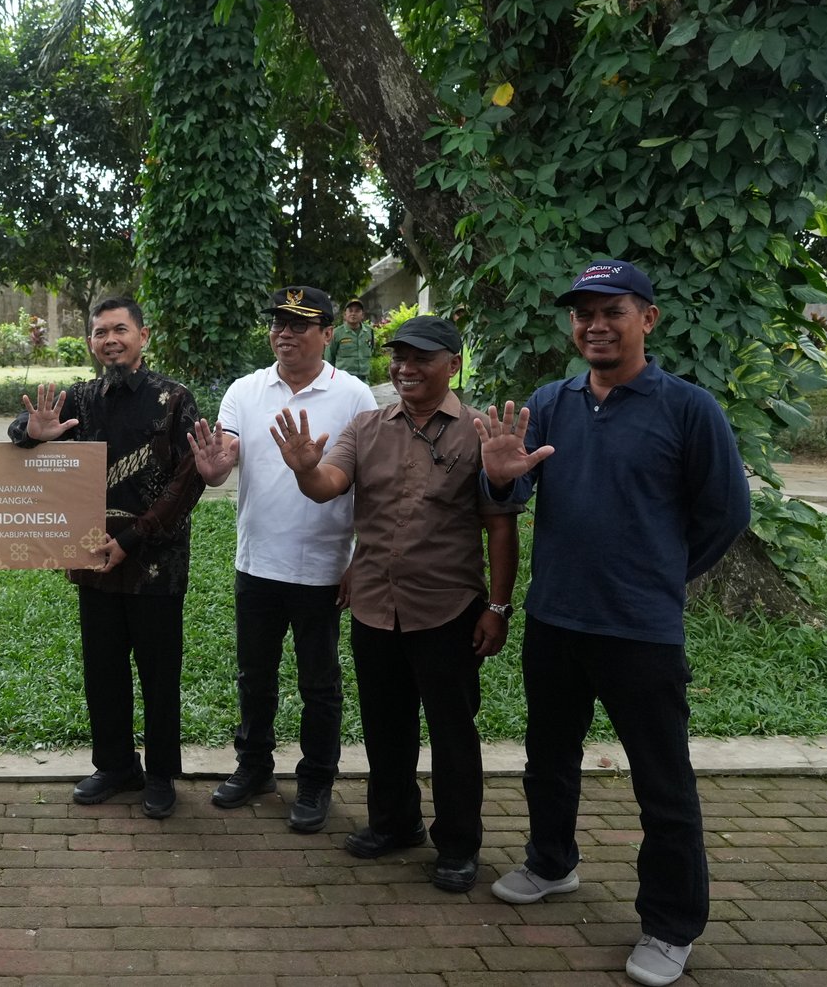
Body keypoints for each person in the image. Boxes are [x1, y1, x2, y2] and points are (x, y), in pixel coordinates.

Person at [475, 259, 751, 986]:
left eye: (613, 310)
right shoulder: (551, 402)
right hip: (556, 620)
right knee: (549, 757)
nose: (595, 324)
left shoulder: (688, 409)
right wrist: (499, 474)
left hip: (641, 630)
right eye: (582, 312)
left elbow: (726, 514)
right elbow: (508, 489)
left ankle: (670, 923)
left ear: (648, 319)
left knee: (662, 782)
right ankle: (550, 861)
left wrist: (659, 571)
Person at [272, 314, 520, 893]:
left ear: (453, 364)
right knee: (386, 726)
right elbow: (327, 486)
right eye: (398, 357)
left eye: (421, 358)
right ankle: (394, 822)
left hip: (448, 607)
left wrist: (499, 608)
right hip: (374, 604)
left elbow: (499, 529)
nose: (405, 368)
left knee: (453, 732)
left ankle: (459, 845)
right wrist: (306, 470)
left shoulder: (481, 433)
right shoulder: (366, 426)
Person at [187, 286, 376, 832]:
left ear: (328, 333)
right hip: (257, 561)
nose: (284, 333)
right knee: (255, 675)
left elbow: (373, 486)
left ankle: (316, 779)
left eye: (299, 324)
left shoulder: (355, 397)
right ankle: (254, 767)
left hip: (323, 565)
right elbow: (225, 460)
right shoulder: (246, 391)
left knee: (319, 682)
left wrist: (359, 558)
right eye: (278, 323)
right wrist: (212, 468)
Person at [9, 297, 205, 819]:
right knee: (103, 670)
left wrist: (132, 541)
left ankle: (161, 773)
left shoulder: (174, 399)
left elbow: (188, 486)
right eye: (100, 332)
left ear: (143, 335)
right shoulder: (79, 398)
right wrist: (32, 433)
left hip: (155, 566)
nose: (110, 339)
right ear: (91, 342)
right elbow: (19, 437)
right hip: (91, 562)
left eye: (120, 329)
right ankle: (115, 765)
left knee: (160, 676)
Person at [324, 297, 375, 379]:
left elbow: (371, 350)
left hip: (363, 380)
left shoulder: (369, 332)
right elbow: (329, 358)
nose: (353, 314)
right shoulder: (336, 333)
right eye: (350, 311)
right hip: (343, 380)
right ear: (345, 315)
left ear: (362, 315)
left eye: (357, 311)